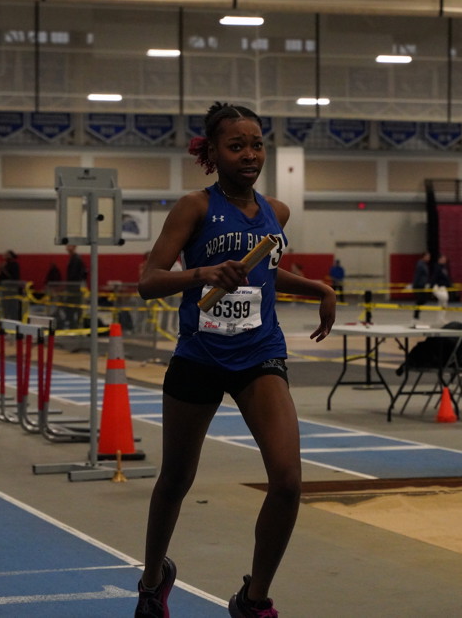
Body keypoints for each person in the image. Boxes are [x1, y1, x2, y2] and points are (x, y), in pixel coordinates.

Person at [134, 101, 336, 618]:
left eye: (257, 145)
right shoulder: (193, 208)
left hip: (259, 353)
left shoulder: (277, 212)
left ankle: (253, 599)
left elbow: (262, 273)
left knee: (287, 480)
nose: (249, 154)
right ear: (213, 152)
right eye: (236, 145)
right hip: (200, 355)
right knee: (176, 479)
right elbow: (149, 281)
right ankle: (152, 582)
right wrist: (202, 273)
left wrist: (316, 287)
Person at [64, 244, 87, 328]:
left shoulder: (76, 259)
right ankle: (74, 323)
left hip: (75, 288)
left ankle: (75, 323)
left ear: (74, 247)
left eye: (69, 246)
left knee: (74, 307)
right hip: (73, 287)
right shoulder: (73, 258)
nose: (67, 248)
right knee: (71, 307)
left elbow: (74, 275)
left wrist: (72, 286)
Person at [431, 254, 452, 322]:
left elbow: (446, 278)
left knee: (443, 302)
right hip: (438, 286)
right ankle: (440, 318)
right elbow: (434, 277)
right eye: (443, 259)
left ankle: (440, 318)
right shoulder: (436, 267)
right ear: (439, 259)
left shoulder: (444, 267)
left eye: (445, 259)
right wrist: (432, 287)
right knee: (444, 298)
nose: (445, 260)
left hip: (443, 287)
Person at [412, 251, 432, 320]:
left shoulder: (424, 264)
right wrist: (414, 285)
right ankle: (416, 315)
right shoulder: (420, 264)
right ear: (424, 257)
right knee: (421, 299)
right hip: (419, 285)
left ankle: (417, 314)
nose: (429, 258)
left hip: (422, 285)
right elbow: (417, 275)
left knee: (423, 299)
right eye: (428, 256)